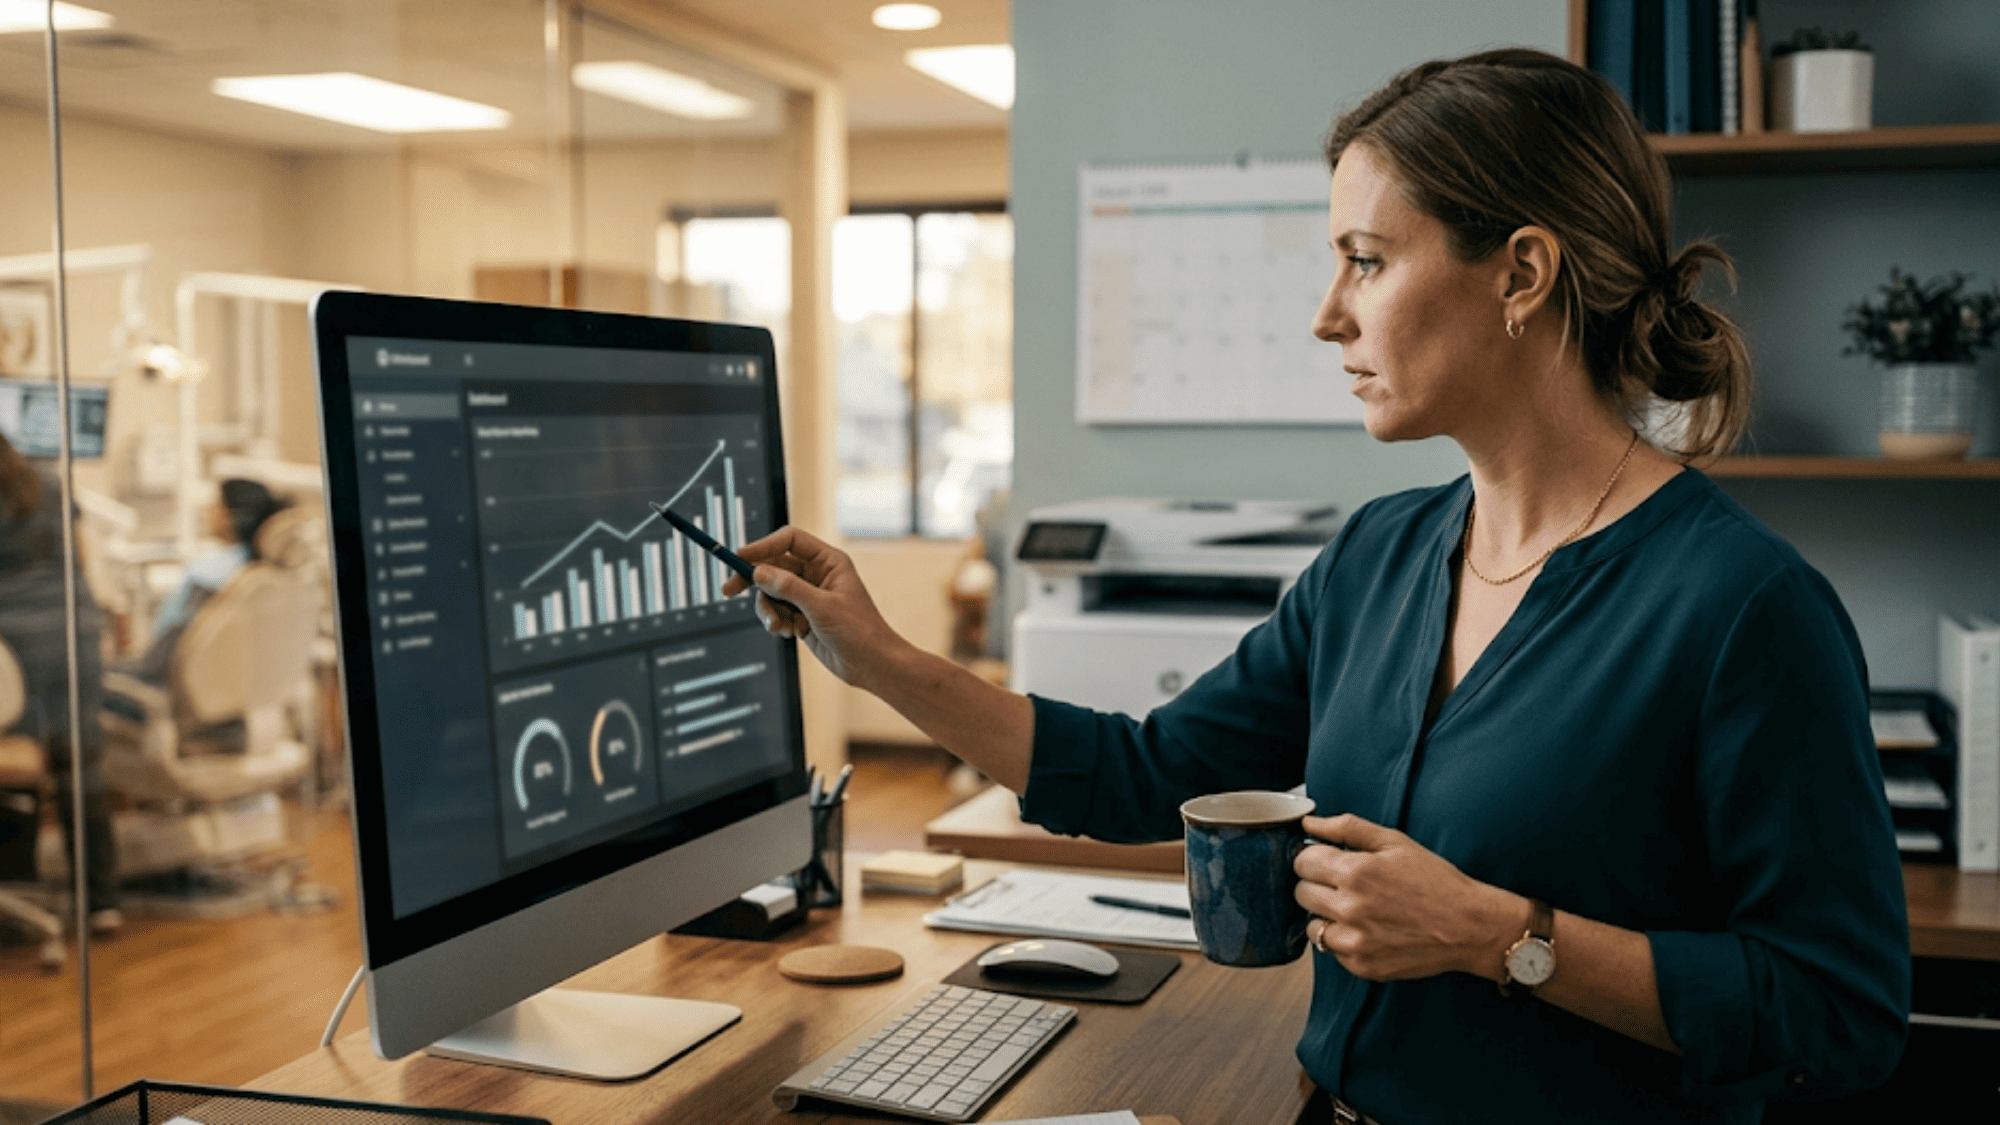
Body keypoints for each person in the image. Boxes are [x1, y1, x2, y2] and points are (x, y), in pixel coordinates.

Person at [723, 48, 1909, 1124]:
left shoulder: (1743, 608)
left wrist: (1503, 937)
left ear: (1521, 274)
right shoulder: (1377, 557)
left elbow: (1837, 1012)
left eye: (1365, 261)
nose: (1325, 314)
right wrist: (872, 657)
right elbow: (1147, 774)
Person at [0, 431, 120, 933]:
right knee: (80, 763)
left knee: (24, 763)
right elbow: (82, 558)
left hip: (17, 646)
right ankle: (101, 903)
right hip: (76, 632)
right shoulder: (49, 485)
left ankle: (21, 887)